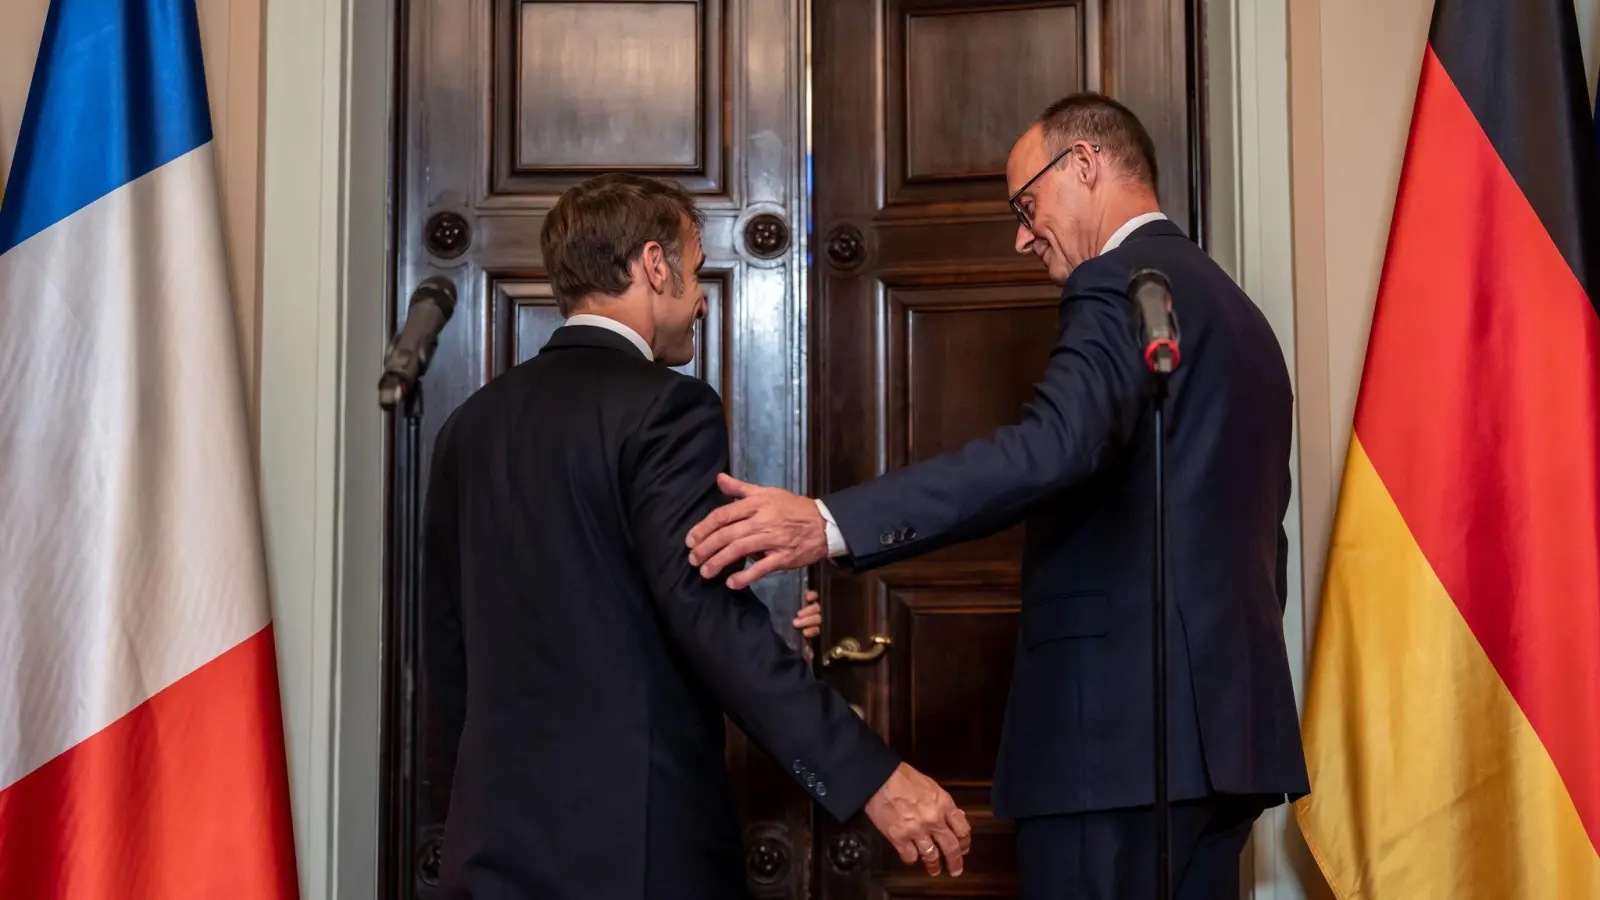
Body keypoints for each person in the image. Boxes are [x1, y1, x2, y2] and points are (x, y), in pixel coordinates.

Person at [684, 93, 1309, 898]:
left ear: (1083, 165)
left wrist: (828, 523)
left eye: (1027, 204)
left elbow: (1052, 445)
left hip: (1111, 747)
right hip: (1225, 744)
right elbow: (1264, 533)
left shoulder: (1119, 283)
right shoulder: (1240, 313)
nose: (1022, 236)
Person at [419, 172, 971, 900]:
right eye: (696, 267)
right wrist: (870, 774)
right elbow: (704, 619)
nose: (704, 298)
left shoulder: (470, 424)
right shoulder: (666, 409)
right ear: (654, 265)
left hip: (490, 846)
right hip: (636, 849)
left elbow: (448, 649)